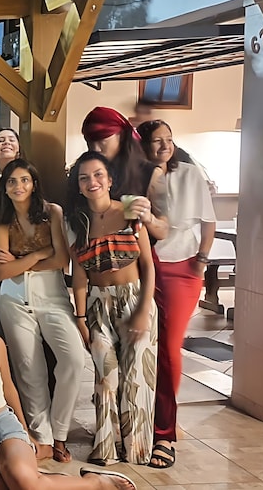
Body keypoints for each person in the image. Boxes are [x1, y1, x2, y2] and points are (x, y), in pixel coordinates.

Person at [0, 279, 137, 490]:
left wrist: (25, 431)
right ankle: (32, 479)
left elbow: (9, 389)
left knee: (23, 480)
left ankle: (94, 482)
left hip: (2, 427)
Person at [66, 151, 157, 466]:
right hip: (97, 305)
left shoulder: (130, 212)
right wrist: (80, 317)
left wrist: (143, 310)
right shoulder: (77, 222)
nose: (92, 182)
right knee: (106, 379)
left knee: (136, 378)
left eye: (98, 175)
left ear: (109, 180)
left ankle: (137, 449)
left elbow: (148, 265)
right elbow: (79, 276)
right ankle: (106, 447)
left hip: (135, 299)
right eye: (84, 178)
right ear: (79, 186)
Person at [0, 160, 84, 463]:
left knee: (74, 358)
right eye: (12, 181)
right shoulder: (1, 223)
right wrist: (40, 254)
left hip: (52, 295)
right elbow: (1, 272)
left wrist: (22, 261)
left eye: (24, 180)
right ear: (5, 188)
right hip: (13, 298)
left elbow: (61, 260)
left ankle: (60, 432)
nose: (18, 186)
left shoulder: (51, 212)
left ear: (34, 183)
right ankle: (43, 438)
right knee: (29, 370)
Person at [138, 120, 216, 469]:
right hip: (142, 266)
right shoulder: (137, 177)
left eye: (169, 140)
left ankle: (165, 428)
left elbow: (209, 221)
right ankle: (144, 419)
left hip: (182, 267)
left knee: (169, 348)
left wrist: (202, 259)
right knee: (144, 346)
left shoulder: (190, 173)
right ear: (143, 146)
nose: (164, 146)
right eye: (157, 141)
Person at [81, 106, 168, 242]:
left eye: (102, 141)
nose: (95, 149)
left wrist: (148, 218)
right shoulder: (86, 172)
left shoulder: (151, 174)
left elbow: (163, 231)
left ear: (120, 136)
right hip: (95, 249)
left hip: (137, 250)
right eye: (90, 142)